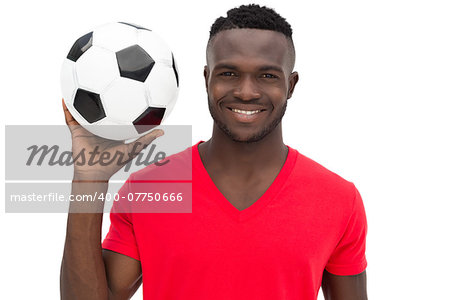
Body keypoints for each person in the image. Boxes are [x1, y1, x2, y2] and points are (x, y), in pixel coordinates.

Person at [60, 4, 368, 300]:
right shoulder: (149, 190)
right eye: (229, 74)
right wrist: (89, 179)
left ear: (292, 84)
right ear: (207, 79)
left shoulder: (339, 200)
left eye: (267, 75)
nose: (246, 91)